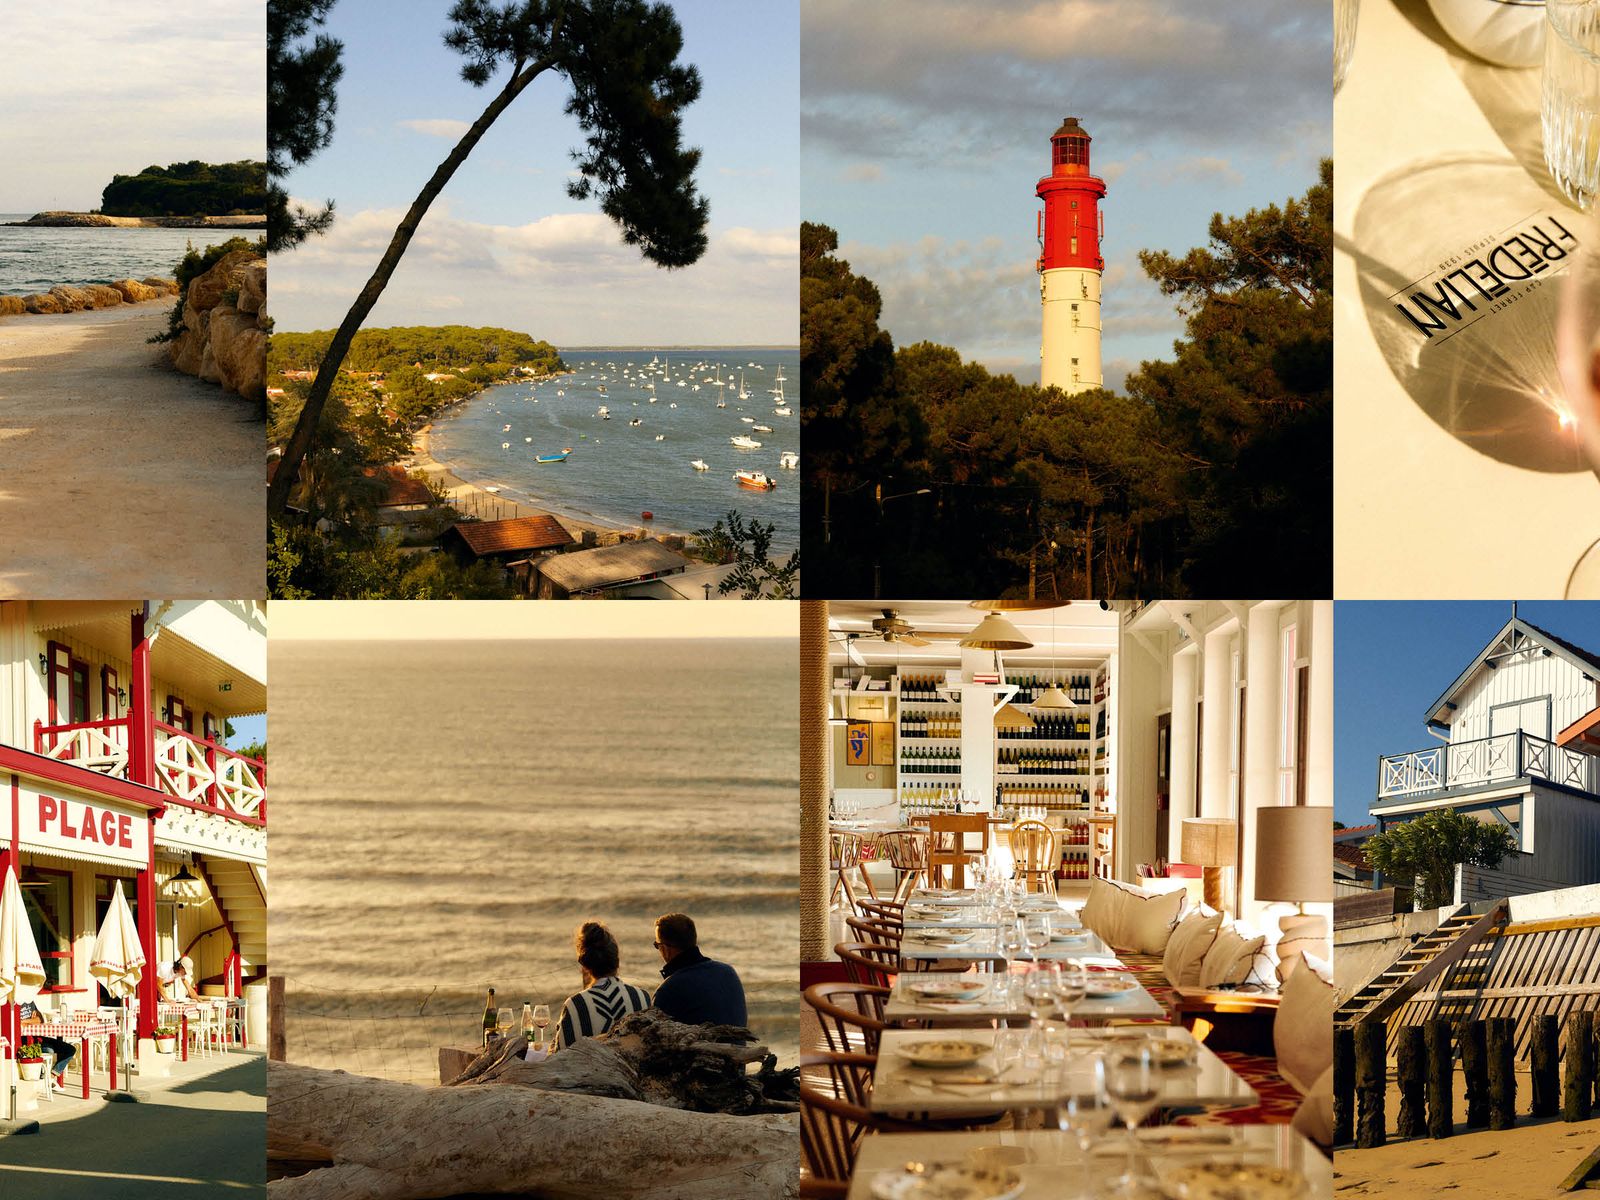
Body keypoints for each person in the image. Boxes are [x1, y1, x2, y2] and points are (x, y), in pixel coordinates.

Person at [553, 921, 652, 1050]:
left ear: (585, 964)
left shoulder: (575, 1005)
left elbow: (561, 1056)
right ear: (616, 960)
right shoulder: (642, 997)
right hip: (634, 1063)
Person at [651, 913, 747, 1027]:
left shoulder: (668, 990)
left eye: (657, 945)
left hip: (701, 1039)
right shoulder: (728, 972)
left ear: (666, 949)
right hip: (738, 1039)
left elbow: (656, 1033)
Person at [17, 1000, 76, 1091]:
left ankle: (50, 1078)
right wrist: (31, 1021)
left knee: (70, 1049)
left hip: (39, 1038)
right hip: (28, 1043)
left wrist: (25, 1021)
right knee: (49, 1050)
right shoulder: (16, 1003)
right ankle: (46, 1080)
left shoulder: (30, 1001)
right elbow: (17, 1023)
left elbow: (40, 1020)